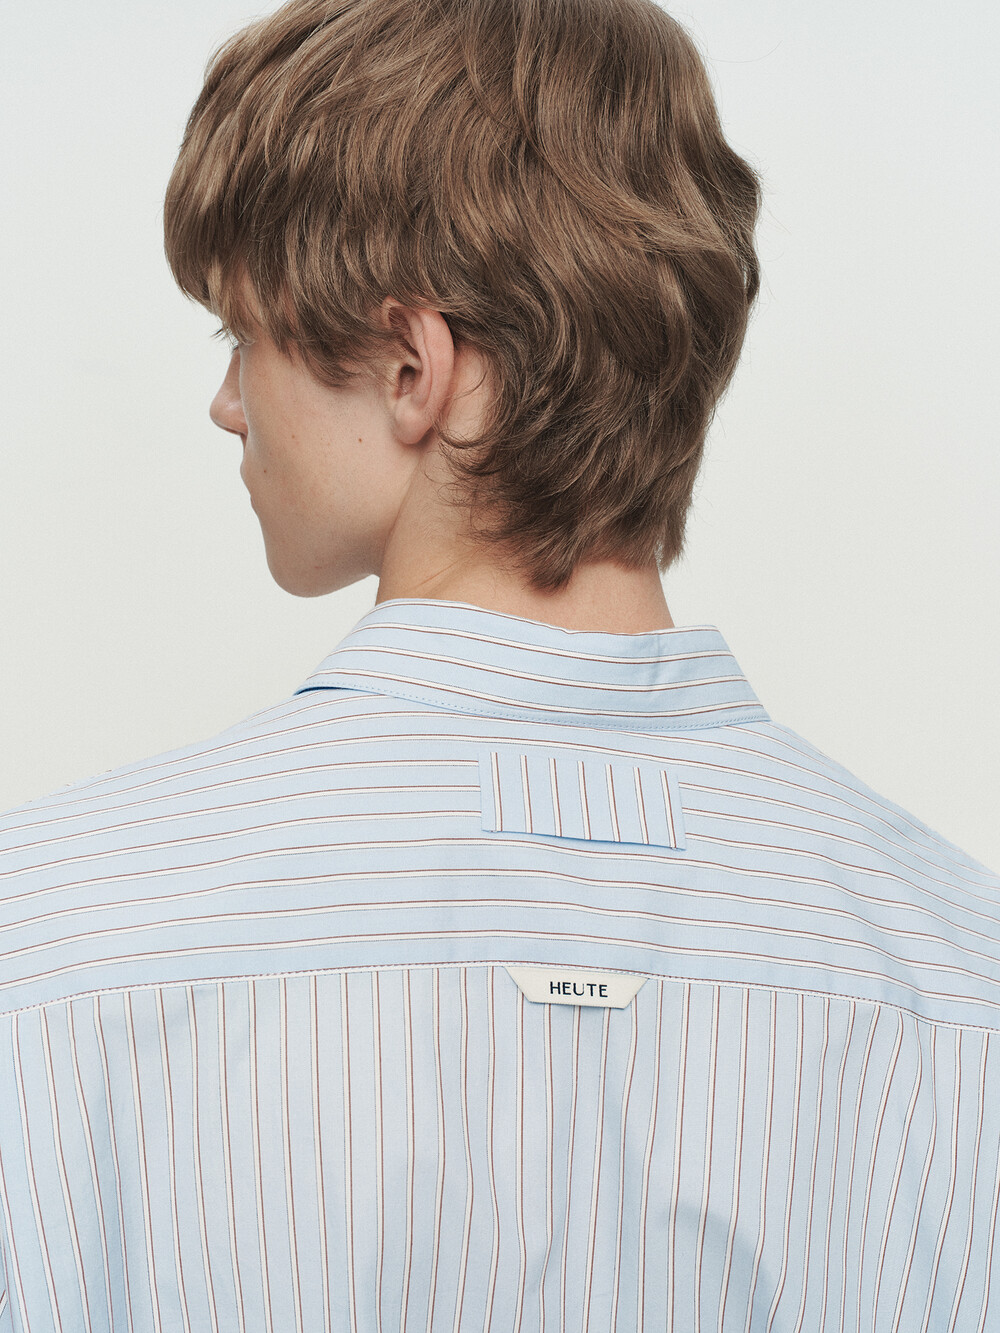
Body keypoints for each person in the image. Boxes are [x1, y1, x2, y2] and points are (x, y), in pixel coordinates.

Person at [0, 0, 997, 1328]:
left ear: (414, 368)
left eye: (242, 334)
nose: (228, 402)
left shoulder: (53, 936)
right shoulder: (960, 970)